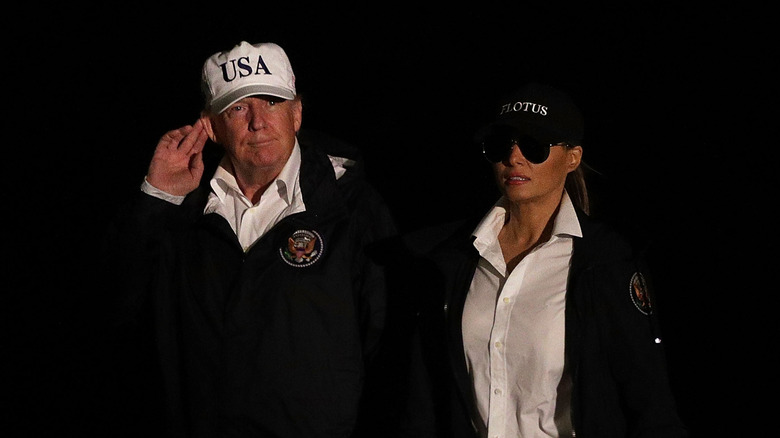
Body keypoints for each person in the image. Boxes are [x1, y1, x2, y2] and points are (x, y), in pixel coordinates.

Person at [102, 41, 397, 437]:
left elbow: (390, 351)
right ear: (211, 126)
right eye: (238, 107)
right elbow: (118, 315)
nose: (258, 122)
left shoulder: (352, 209)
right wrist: (157, 197)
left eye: (272, 102)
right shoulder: (182, 214)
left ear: (297, 113)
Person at [400, 82, 689, 437]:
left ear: (573, 157)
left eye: (534, 145)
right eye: (500, 145)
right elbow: (425, 398)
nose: (514, 157)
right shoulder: (454, 258)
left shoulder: (607, 262)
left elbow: (651, 405)